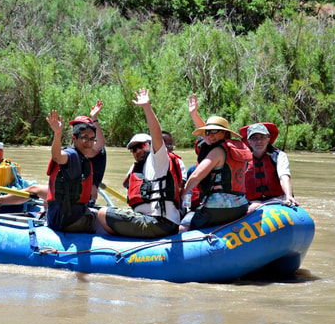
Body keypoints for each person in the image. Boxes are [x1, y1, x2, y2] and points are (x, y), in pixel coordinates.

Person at [0, 101, 107, 210]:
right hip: (73, 194)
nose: (75, 130)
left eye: (86, 134)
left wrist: (94, 118)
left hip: (80, 199)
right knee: (38, 189)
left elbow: (99, 144)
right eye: (75, 127)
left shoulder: (90, 150)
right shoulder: (78, 151)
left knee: (34, 189)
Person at [97, 89, 181, 238]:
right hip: (148, 220)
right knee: (101, 212)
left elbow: (156, 134)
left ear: (150, 145)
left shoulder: (158, 159)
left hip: (159, 223)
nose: (137, 151)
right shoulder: (137, 167)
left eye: (141, 146)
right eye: (134, 149)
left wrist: (147, 108)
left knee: (102, 214)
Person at [181, 94, 252, 230]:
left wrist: (183, 194)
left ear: (224, 133)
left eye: (214, 131)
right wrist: (194, 114)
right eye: (207, 132)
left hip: (216, 210)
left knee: (184, 226)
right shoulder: (237, 148)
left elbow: (195, 177)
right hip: (240, 208)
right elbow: (206, 138)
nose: (210, 135)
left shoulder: (218, 151)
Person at [45, 110, 102, 233]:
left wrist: (95, 118)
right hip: (66, 220)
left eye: (92, 139)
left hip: (66, 216)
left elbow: (101, 145)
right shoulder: (72, 155)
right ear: (74, 139)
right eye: (85, 138)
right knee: (105, 216)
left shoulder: (83, 158)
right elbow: (57, 156)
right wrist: (57, 134)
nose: (89, 143)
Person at [239, 122, 299, 209]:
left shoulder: (278, 155)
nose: (259, 141)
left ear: (268, 139)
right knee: (252, 207)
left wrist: (289, 195)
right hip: (252, 202)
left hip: (277, 199)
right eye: (254, 138)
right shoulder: (242, 159)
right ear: (249, 141)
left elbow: (284, 177)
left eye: (262, 137)